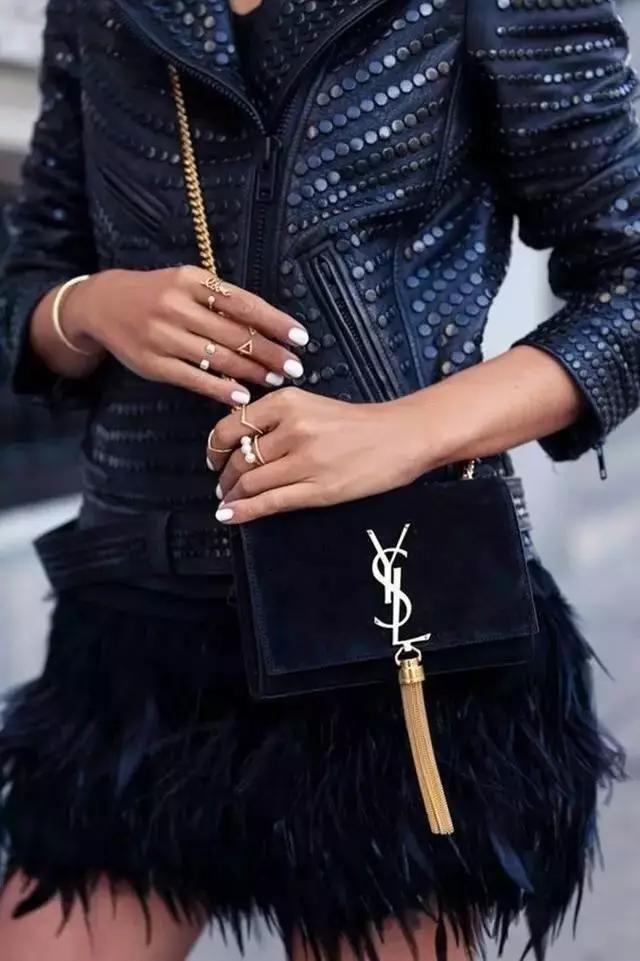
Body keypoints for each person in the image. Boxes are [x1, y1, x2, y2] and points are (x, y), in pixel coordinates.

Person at [0, 1, 638, 959]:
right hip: (140, 623)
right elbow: (31, 278)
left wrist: (403, 433)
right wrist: (90, 307)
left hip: (388, 611)